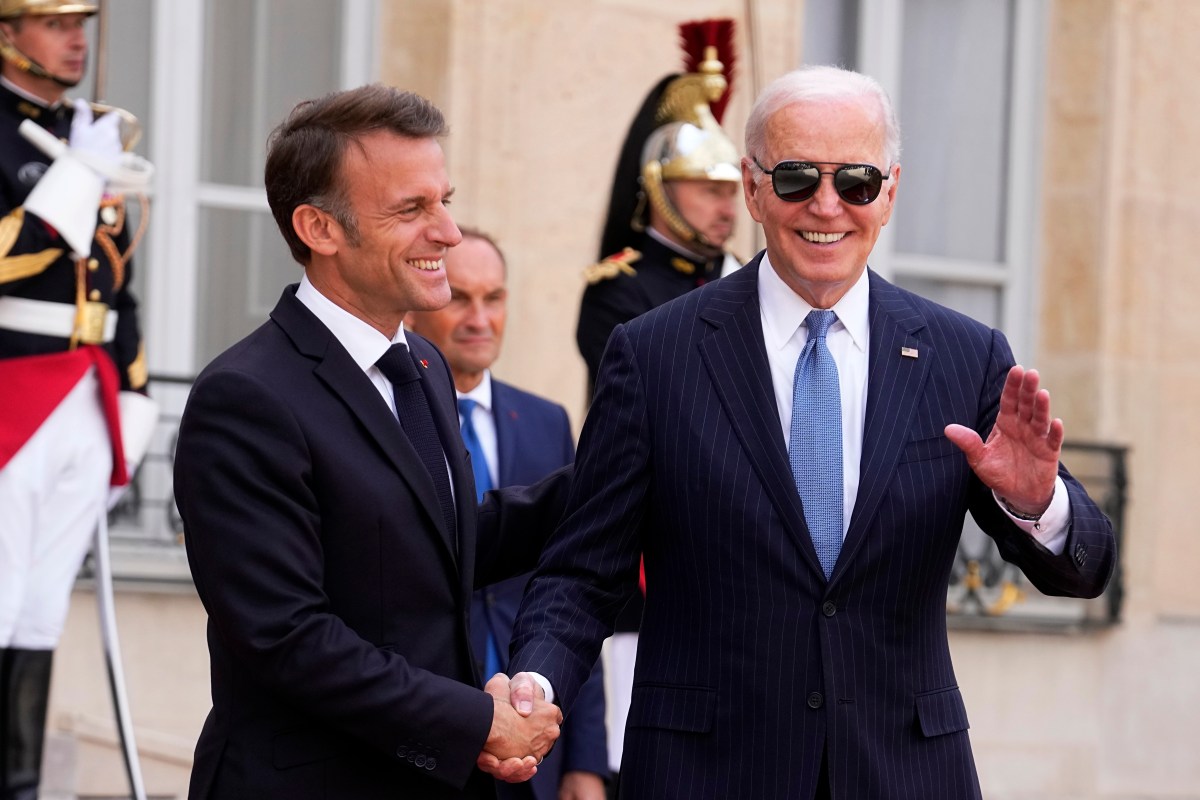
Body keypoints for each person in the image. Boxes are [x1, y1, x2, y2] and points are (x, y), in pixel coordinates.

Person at [508, 65, 1117, 799]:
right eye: (797, 178)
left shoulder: (965, 355)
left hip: (904, 774)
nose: (827, 205)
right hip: (704, 775)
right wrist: (536, 683)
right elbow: (584, 570)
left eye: (856, 181)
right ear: (753, 186)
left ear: (890, 192)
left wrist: (1036, 503)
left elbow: (1082, 570)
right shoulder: (653, 353)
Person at [173, 85, 567, 799]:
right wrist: (476, 722)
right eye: (412, 209)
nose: (448, 232)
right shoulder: (245, 397)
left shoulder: (423, 367)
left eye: (445, 201)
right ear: (319, 228)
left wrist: (618, 471)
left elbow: (433, 548)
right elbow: (288, 637)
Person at [573, 23, 741, 789]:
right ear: (659, 188)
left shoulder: (748, 283)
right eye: (709, 189)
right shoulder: (620, 291)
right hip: (651, 544)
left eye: (732, 190)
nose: (726, 206)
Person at [0, 2, 152, 796]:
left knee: (40, 608)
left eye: (82, 23)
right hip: (12, 391)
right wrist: (78, 175)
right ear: (7, 33)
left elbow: (120, 287)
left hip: (87, 391)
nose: (76, 39)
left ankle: (20, 785)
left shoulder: (90, 132)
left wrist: (133, 396)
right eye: (54, 23)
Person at [407, 227, 608, 800]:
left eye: (493, 298)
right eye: (460, 298)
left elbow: (578, 583)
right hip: (432, 741)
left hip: (537, 747)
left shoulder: (546, 421)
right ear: (420, 306)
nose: (479, 319)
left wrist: (586, 761)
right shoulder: (395, 420)